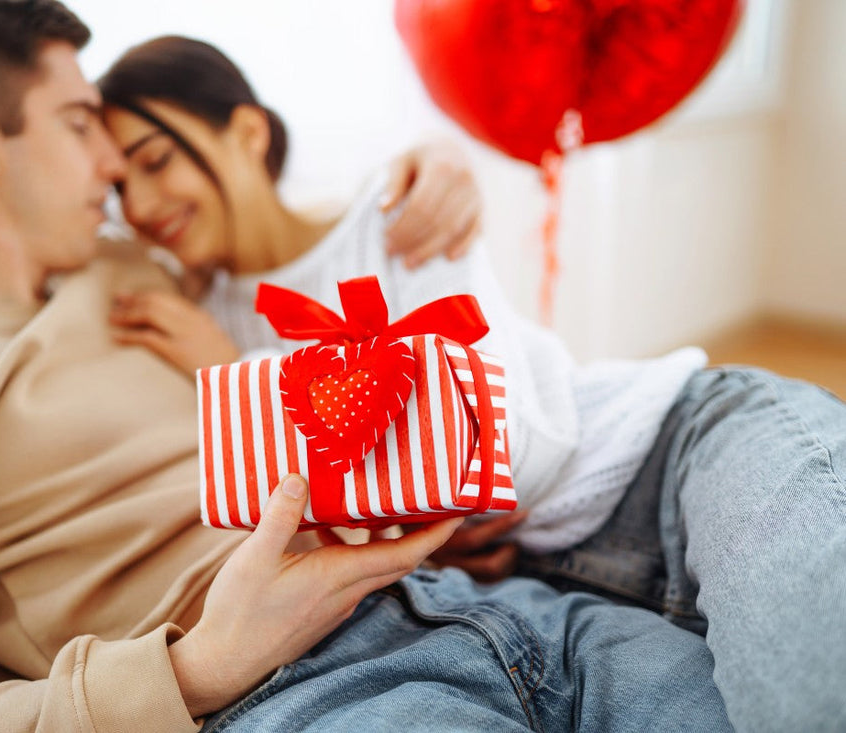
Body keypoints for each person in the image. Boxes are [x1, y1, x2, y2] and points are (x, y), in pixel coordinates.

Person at [0, 2, 733, 731]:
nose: (113, 175)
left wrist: (435, 158)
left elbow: (286, 231)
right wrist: (193, 672)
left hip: (480, 603)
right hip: (300, 688)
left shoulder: (144, 272)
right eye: (82, 122)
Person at [98, 36, 846, 730]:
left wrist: (249, 380)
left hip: (669, 448)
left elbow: (506, 444)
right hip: (551, 583)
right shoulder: (191, 318)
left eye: (156, 160)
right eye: (118, 187)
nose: (139, 206)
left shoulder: (396, 215)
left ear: (248, 133)